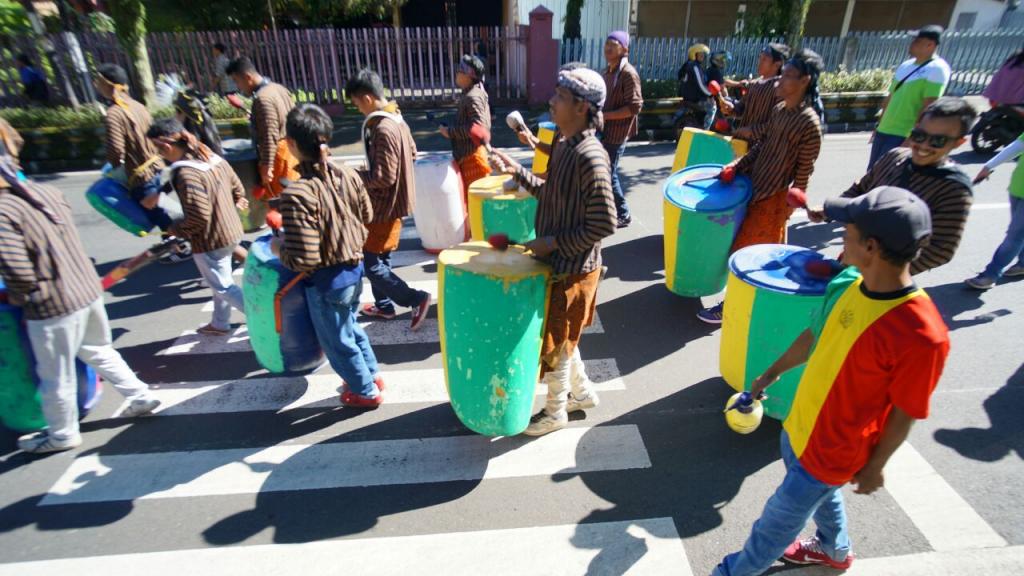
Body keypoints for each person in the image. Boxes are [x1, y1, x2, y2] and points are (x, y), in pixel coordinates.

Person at [713, 186, 950, 576]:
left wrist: (876, 465)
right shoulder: (847, 284)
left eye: (848, 230)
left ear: (871, 246)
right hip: (798, 423)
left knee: (776, 522)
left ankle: (733, 572)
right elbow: (812, 337)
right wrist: (768, 374)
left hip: (835, 450)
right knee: (820, 497)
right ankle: (834, 549)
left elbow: (906, 411)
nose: (841, 235)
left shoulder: (922, 335)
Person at [488, 66, 618, 437]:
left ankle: (555, 411)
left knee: (558, 343)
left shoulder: (591, 156)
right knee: (565, 338)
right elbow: (551, 194)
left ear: (580, 107)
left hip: (574, 268)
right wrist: (517, 172)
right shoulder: (565, 144)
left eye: (559, 97)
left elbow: (604, 224)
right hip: (559, 261)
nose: (551, 101)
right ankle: (583, 393)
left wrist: (553, 243)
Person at [0, 156, 161, 454]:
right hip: (86, 290)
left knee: (54, 373)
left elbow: (18, 271)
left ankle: (62, 434)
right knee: (98, 349)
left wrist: (19, 300)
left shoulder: (3, 210)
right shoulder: (43, 192)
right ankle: (139, 395)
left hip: (52, 303)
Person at [698, 49, 824, 324]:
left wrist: (792, 205)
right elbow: (764, 146)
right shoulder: (780, 110)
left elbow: (804, 170)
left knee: (748, 254)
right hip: (754, 185)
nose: (780, 81)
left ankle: (732, 307)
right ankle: (764, 304)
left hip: (775, 196)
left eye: (788, 76)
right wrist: (738, 165)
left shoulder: (809, 123)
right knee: (760, 256)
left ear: (804, 81)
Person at [272, 104, 384, 409]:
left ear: (292, 145)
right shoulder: (347, 174)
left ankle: (365, 391)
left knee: (338, 341)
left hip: (326, 282)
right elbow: (368, 214)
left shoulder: (297, 194)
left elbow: (304, 257)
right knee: (351, 327)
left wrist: (278, 249)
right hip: (354, 270)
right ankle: (371, 374)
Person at [808, 97, 976, 276]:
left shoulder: (955, 190)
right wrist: (829, 212)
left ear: (958, 143)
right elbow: (861, 187)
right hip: (854, 258)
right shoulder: (895, 156)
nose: (924, 145)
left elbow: (940, 251)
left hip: (881, 277)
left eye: (938, 141)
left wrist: (881, 271)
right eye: (919, 135)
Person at [345, 69, 431, 330]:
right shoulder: (397, 118)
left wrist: (356, 174)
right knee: (381, 258)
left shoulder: (383, 127)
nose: (359, 109)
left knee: (372, 265)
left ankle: (415, 298)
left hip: (383, 207)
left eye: (358, 103)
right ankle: (384, 306)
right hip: (396, 204)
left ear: (368, 98)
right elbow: (413, 153)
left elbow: (383, 178)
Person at [147, 119, 249, 336]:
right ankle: (220, 323)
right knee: (220, 281)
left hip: (210, 239)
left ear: (166, 146)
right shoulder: (210, 156)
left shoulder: (186, 173)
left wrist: (176, 229)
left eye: (158, 150)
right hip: (231, 230)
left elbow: (199, 217)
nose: (158, 155)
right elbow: (237, 187)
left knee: (223, 287)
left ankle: (269, 320)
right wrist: (235, 201)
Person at [94, 64, 189, 262]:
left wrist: (113, 167)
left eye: (98, 81)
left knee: (156, 213)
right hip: (157, 166)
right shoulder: (139, 106)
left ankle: (180, 247)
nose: (96, 85)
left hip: (139, 174)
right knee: (162, 207)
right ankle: (179, 242)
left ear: (107, 84)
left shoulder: (114, 114)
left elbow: (116, 151)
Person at [869, 25, 951, 169]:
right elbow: (891, 97)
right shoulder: (906, 66)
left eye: (917, 41)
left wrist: (912, 138)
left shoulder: (937, 69)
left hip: (903, 134)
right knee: (873, 172)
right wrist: (878, 125)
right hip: (884, 130)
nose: (912, 45)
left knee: (887, 174)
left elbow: (929, 107)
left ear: (930, 45)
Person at [226, 56, 298, 198]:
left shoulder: (263, 98)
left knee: (282, 203)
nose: (237, 87)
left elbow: (269, 135)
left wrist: (267, 165)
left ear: (247, 77)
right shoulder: (278, 88)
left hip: (279, 157)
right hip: (293, 151)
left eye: (236, 81)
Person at [965, 130, 1024, 289]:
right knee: (1018, 233)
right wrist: (989, 166)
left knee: (1014, 235)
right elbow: (1018, 146)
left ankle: (990, 275)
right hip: (1017, 188)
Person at [601, 30, 643, 229]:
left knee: (609, 173)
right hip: (604, 130)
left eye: (613, 44)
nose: (608, 47)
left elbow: (635, 107)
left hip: (617, 133)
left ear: (624, 49)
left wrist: (606, 116)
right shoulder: (608, 71)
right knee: (605, 171)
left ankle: (623, 213)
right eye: (607, 43)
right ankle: (609, 209)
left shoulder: (627, 73)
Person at [440, 54, 492, 207]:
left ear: (469, 76)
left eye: (459, 70)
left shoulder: (473, 97)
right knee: (472, 206)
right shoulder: (471, 93)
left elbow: (477, 128)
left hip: (473, 160)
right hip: (468, 157)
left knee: (477, 208)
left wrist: (450, 132)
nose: (456, 73)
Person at [731, 43, 790, 143]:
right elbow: (741, 108)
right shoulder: (754, 83)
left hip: (764, 150)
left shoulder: (781, 88)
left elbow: (779, 122)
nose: (759, 62)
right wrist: (731, 108)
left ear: (777, 64)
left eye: (764, 60)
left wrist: (752, 131)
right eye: (760, 58)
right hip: (742, 144)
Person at [175, 89, 223, 156]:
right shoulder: (205, 120)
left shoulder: (190, 128)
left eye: (177, 112)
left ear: (183, 113)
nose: (175, 116)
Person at [677, 43, 712, 131]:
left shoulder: (690, 65)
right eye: (700, 54)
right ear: (694, 55)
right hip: (694, 98)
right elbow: (700, 84)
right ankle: (706, 129)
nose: (703, 56)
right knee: (712, 108)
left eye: (703, 55)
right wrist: (710, 94)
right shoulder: (694, 66)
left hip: (691, 96)